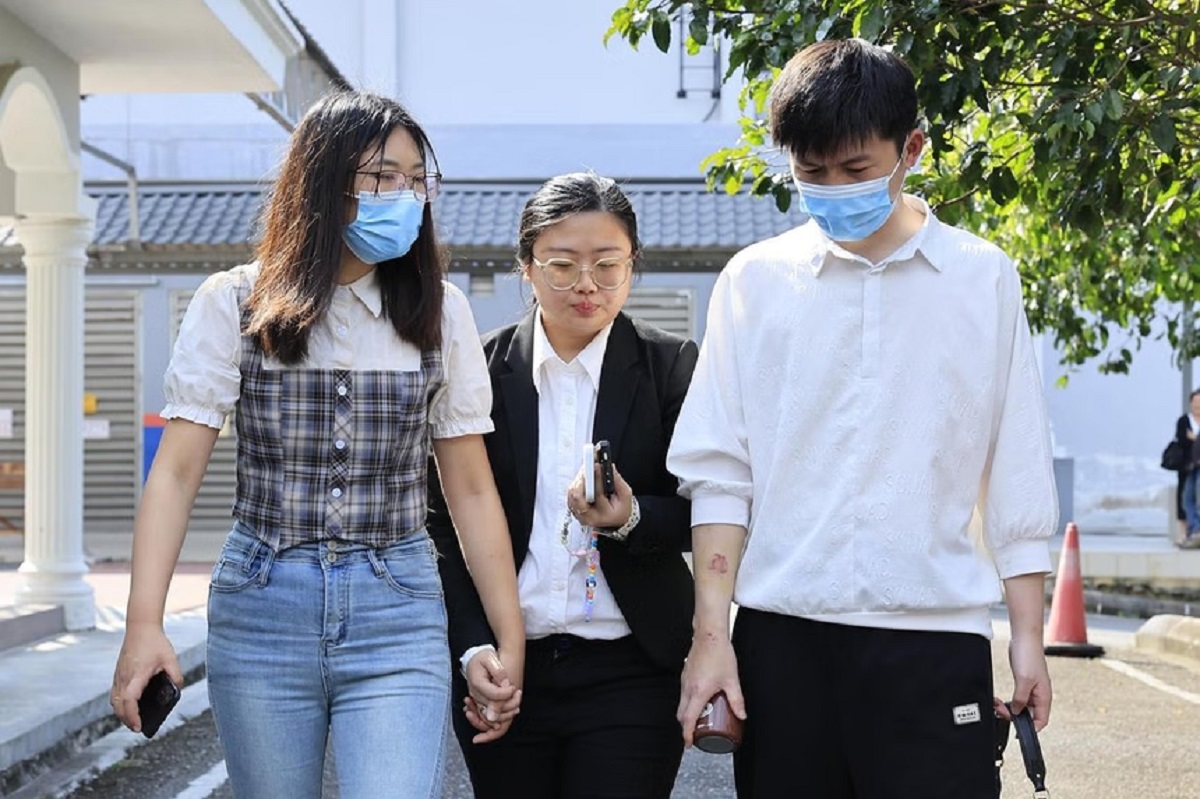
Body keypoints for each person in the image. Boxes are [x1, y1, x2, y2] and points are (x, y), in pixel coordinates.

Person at [667, 39, 1059, 798]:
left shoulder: (981, 277)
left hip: (933, 640)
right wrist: (710, 637)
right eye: (811, 173)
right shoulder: (754, 281)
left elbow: (1016, 472)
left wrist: (1028, 641)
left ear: (911, 149)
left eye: (855, 169)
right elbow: (720, 474)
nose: (834, 190)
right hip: (784, 638)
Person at [109, 91, 524, 799]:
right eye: (382, 176)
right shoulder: (233, 303)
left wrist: (507, 636)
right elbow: (175, 473)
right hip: (261, 604)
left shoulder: (441, 312)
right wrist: (143, 623)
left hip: (398, 606)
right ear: (323, 181)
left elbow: (471, 487)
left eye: (415, 180)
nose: (405, 196)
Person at [428, 172, 698, 798]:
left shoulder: (670, 364)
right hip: (506, 665)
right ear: (526, 267)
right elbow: (440, 525)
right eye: (562, 264)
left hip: (632, 667)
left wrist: (631, 517)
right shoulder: (478, 371)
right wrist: (472, 648)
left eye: (607, 264)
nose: (586, 284)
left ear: (632, 264)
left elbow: (705, 510)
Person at [1176, 390, 1200, 547]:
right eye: (1195, 402)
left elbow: (1191, 439)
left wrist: (1194, 438)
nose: (1198, 405)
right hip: (1188, 466)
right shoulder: (1184, 421)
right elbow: (1181, 440)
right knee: (1187, 498)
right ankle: (1195, 529)